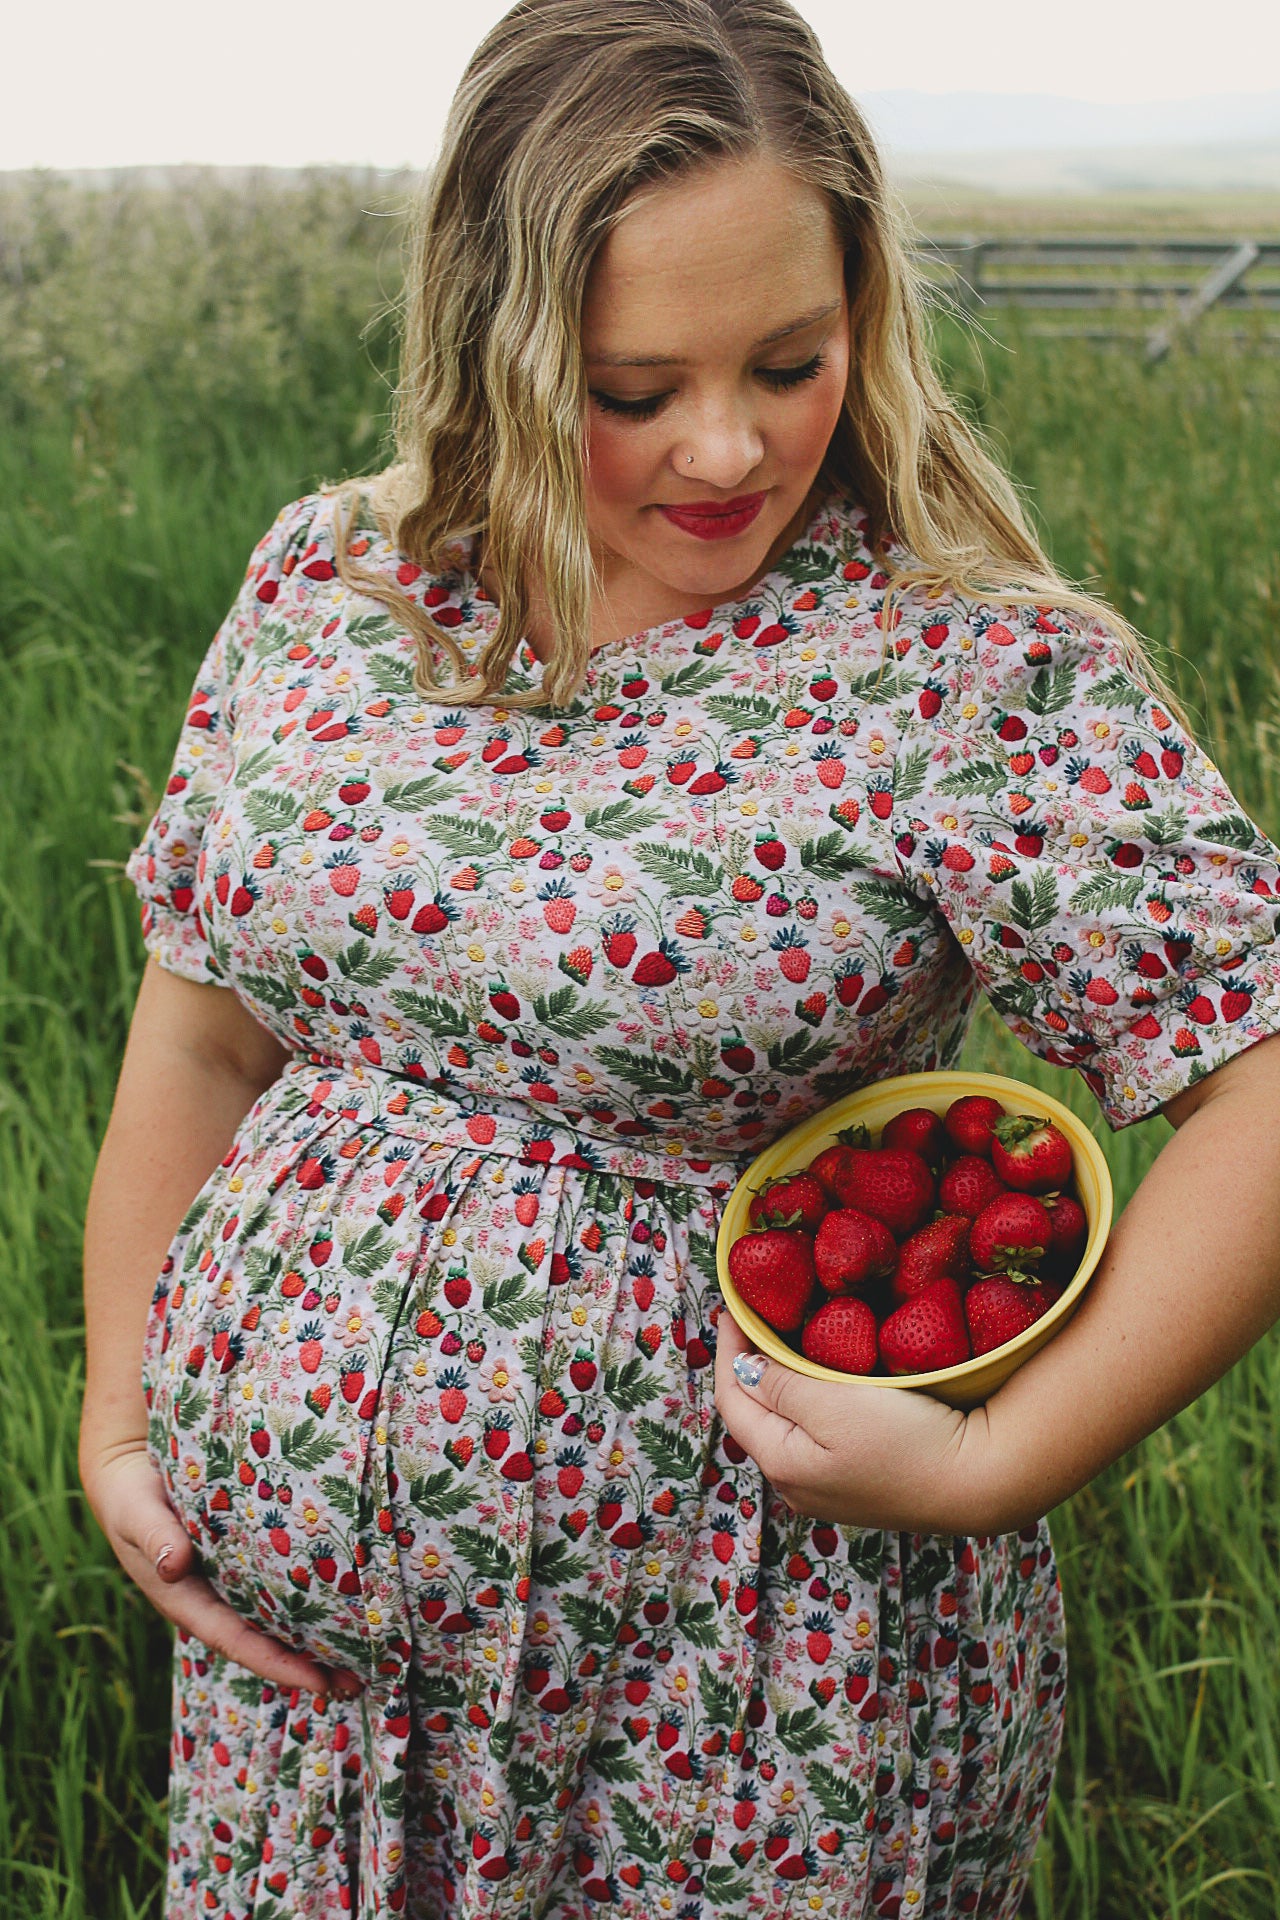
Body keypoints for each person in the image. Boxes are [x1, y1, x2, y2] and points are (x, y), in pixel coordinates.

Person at [79, 0, 1280, 1914]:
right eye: (633, 387)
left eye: (790, 363)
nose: (727, 448)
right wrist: (126, 1408)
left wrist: (994, 1468)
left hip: (733, 1704)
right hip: (308, 1712)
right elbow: (207, 1017)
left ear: (866, 310)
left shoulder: (973, 669)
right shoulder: (333, 581)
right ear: (495, 332)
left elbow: (1266, 1071)